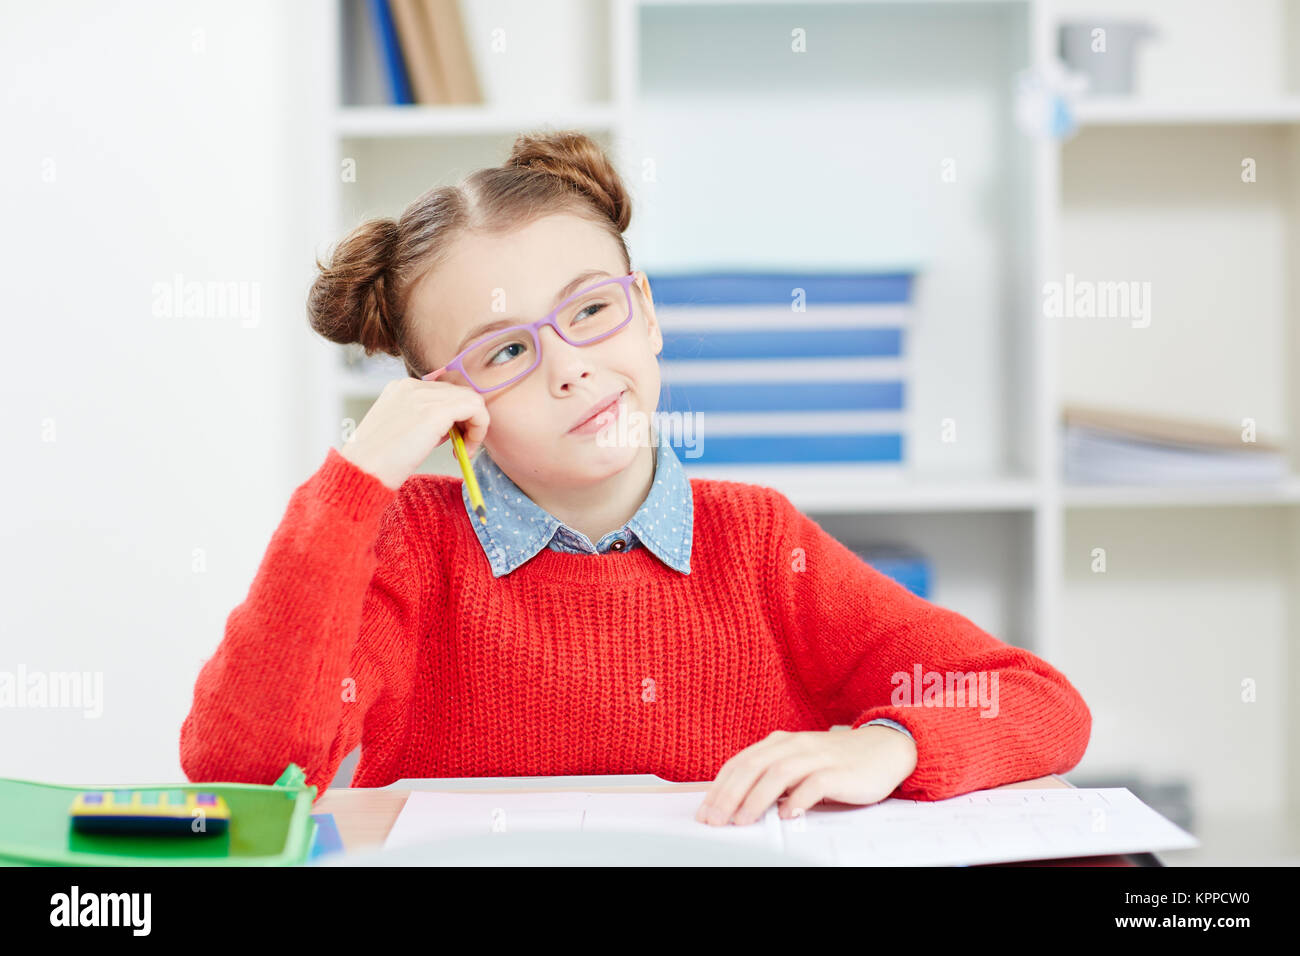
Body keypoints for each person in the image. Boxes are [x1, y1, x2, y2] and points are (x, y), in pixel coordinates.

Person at [179, 129, 1091, 828]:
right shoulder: (408, 548)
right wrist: (353, 486)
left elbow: (1039, 702)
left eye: (591, 309)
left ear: (645, 312)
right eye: (504, 352)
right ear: (441, 401)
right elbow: (242, 776)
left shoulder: (761, 543)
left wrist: (885, 743)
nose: (569, 368)